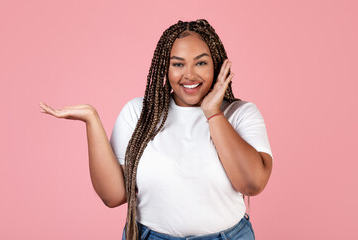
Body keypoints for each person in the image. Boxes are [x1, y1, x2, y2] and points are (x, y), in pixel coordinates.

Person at [39, 19, 273, 240]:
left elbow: (252, 184)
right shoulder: (138, 113)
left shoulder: (241, 113)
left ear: (217, 65)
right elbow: (113, 196)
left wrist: (212, 112)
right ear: (165, 67)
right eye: (178, 64)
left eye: (201, 63)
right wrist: (91, 120)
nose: (189, 74)